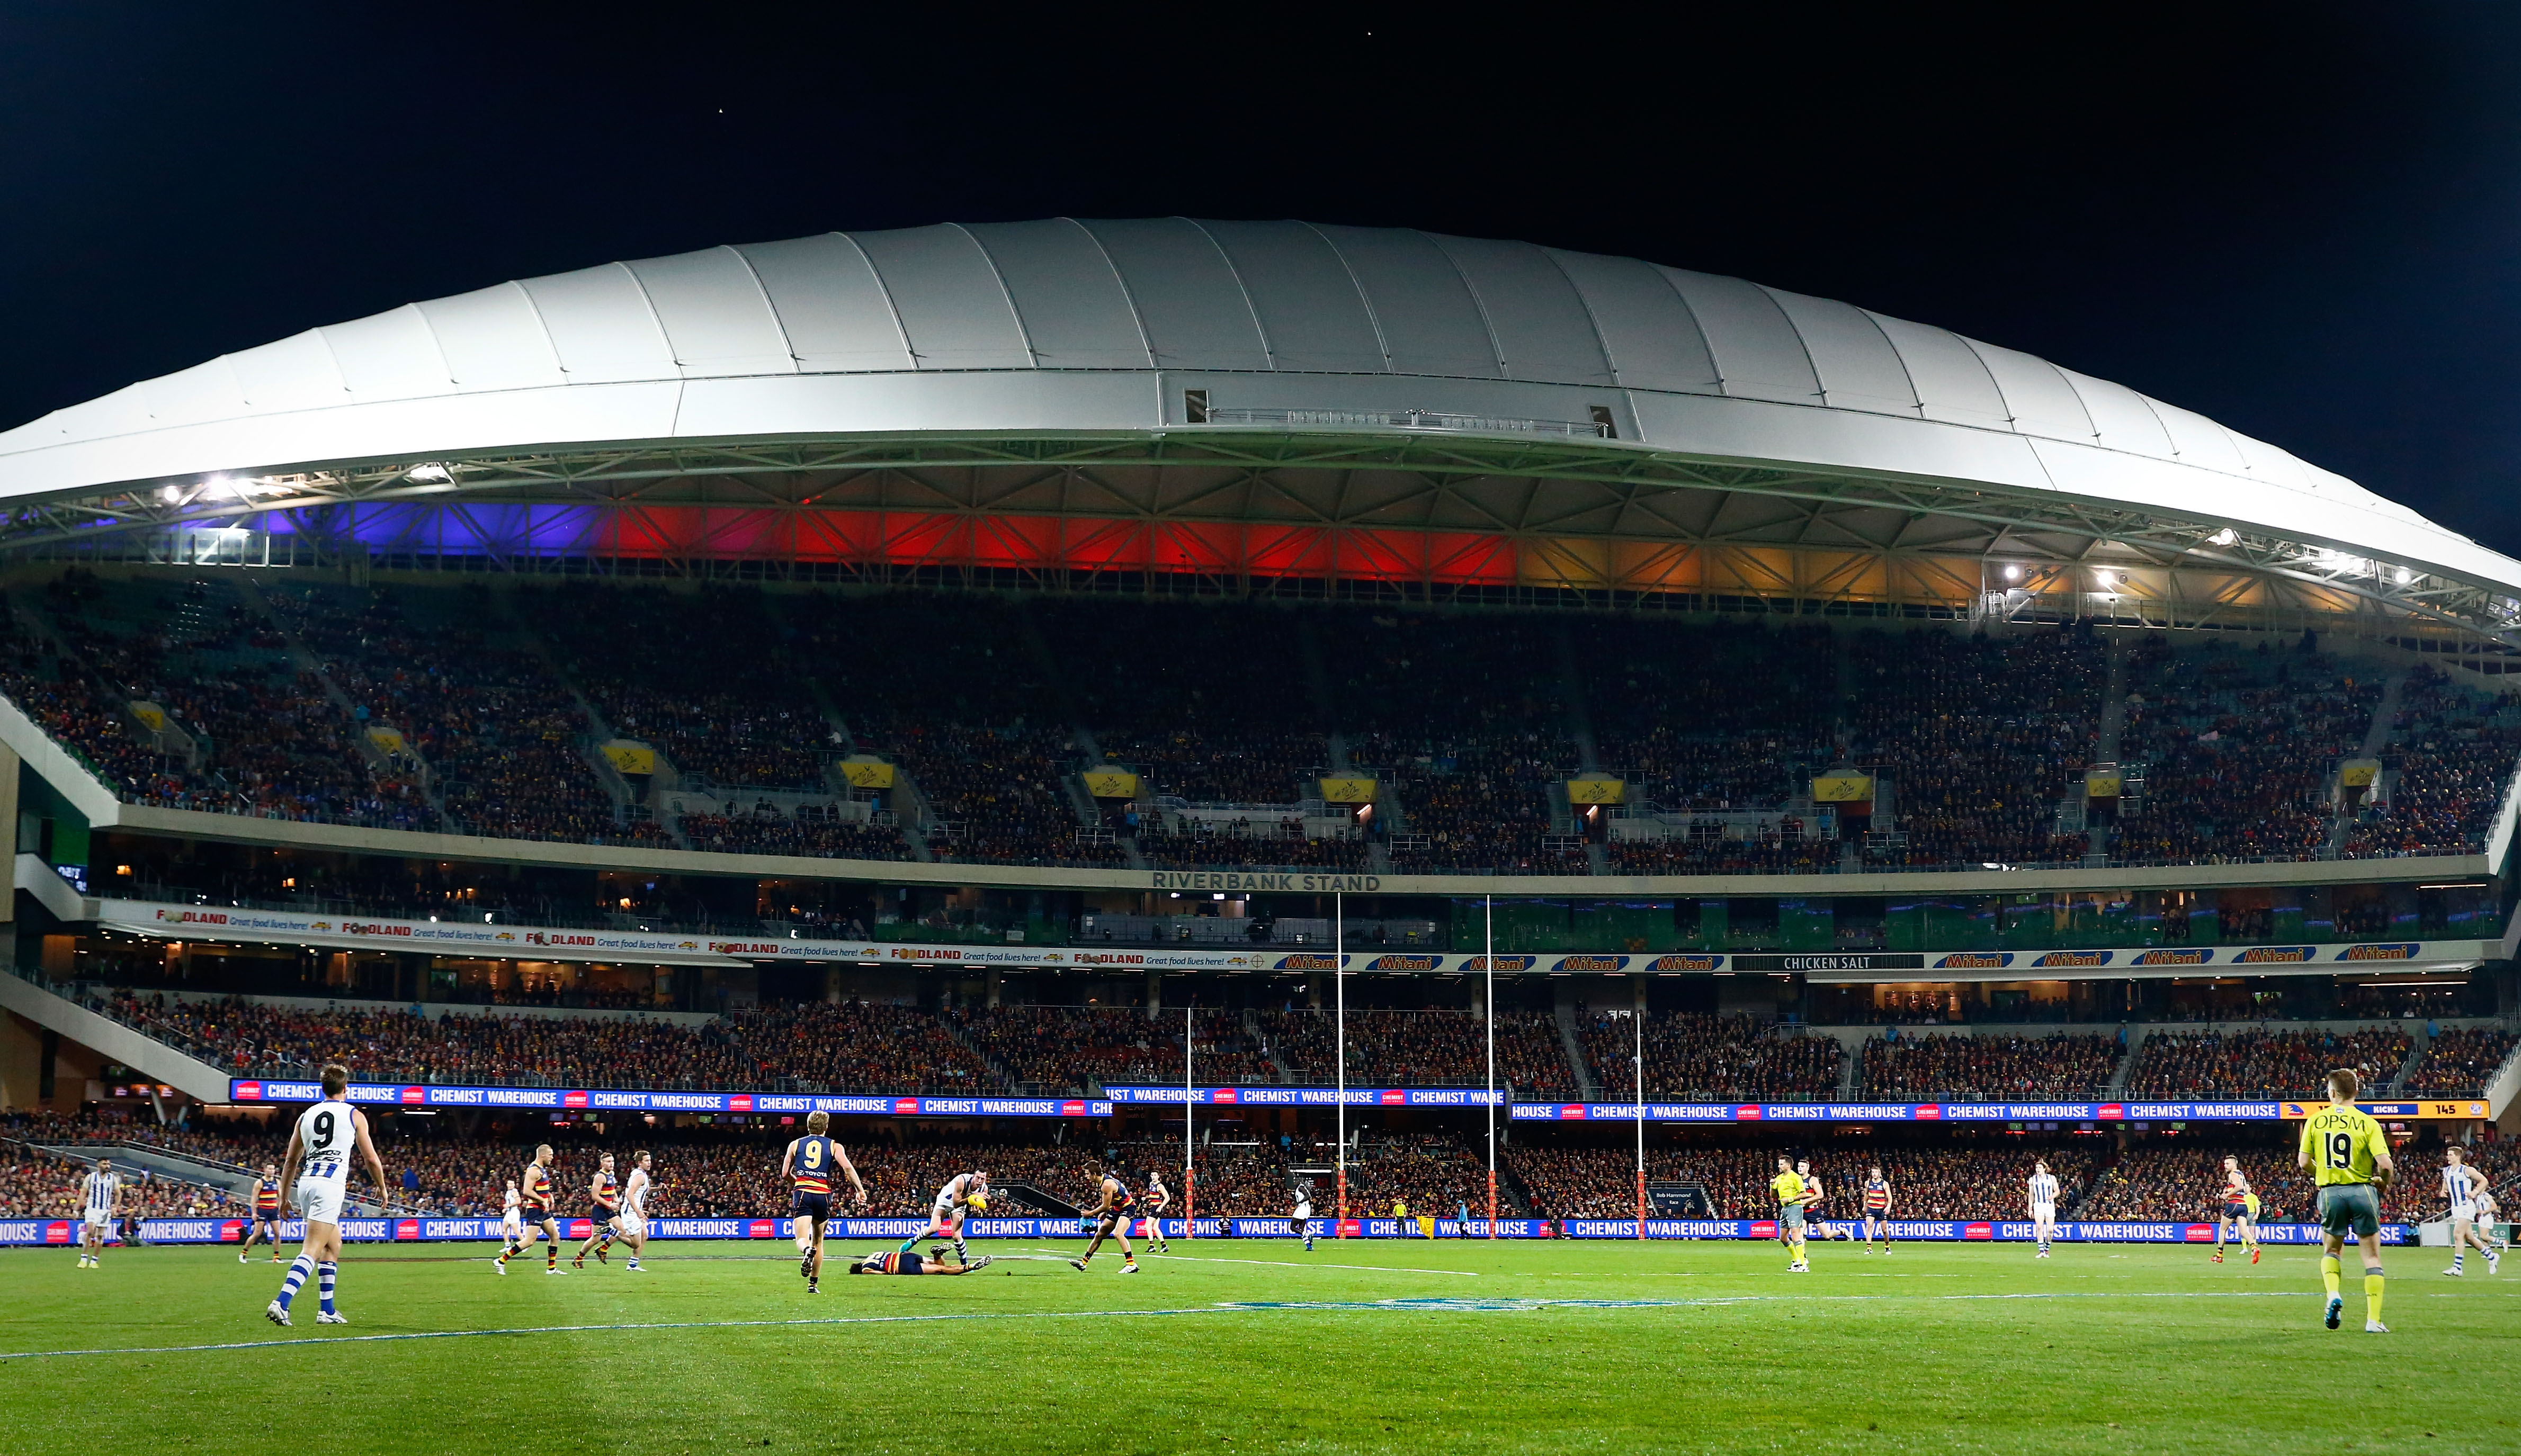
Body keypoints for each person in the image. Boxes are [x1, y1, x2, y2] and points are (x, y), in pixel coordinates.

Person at [264, 1063, 386, 1327]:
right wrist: (382, 1186)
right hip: (329, 1185)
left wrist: (284, 1197)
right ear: (346, 1088)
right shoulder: (354, 1115)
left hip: (307, 1184)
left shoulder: (306, 1115)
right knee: (312, 1250)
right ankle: (281, 1303)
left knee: (333, 1246)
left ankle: (327, 1311)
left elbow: (290, 1161)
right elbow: (371, 1159)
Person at [2297, 1066, 2395, 1333]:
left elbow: (2303, 1162)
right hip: (2362, 1190)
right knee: (2372, 1258)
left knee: (2331, 1250)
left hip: (2330, 1193)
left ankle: (2333, 1294)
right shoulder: (2368, 1122)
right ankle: (2373, 1320)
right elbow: (2385, 1164)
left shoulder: (2315, 1121)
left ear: (2331, 1092)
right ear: (2357, 1091)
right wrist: (2383, 1183)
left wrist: (2327, 1173)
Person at [783, 1111, 859, 1294]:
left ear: (808, 1126)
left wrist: (799, 1183)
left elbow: (785, 1173)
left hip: (802, 1193)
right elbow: (847, 1168)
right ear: (826, 1127)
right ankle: (813, 1285)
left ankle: (806, 1250)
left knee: (802, 1238)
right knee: (819, 1241)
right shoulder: (834, 1146)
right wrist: (860, 1190)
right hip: (823, 1195)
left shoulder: (796, 1144)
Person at [495, 1145, 564, 1274]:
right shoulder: (533, 1170)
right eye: (550, 1155)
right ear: (543, 1155)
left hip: (544, 1209)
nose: (552, 1157)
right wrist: (543, 1200)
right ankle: (500, 1261)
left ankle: (551, 1268)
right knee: (530, 1241)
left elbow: (541, 1189)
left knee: (555, 1236)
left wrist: (550, 1197)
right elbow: (527, 1191)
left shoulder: (542, 1170)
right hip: (535, 1209)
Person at [899, 1167, 979, 1268]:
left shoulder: (983, 1188)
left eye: (983, 1179)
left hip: (960, 1205)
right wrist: (971, 1199)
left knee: (957, 1236)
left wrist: (977, 1204)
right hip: (946, 1201)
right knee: (933, 1229)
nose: (980, 1181)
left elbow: (980, 1200)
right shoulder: (962, 1180)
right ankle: (913, 1241)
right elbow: (956, 1202)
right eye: (978, 1178)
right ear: (974, 1176)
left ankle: (965, 1264)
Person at [1070, 1163, 1141, 1274]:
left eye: (1088, 1174)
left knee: (1118, 1234)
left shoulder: (1106, 1185)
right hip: (1117, 1208)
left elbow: (1105, 1206)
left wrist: (1091, 1213)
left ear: (1094, 1174)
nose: (1086, 1176)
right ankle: (1083, 1263)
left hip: (1128, 1208)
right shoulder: (1104, 1181)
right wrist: (1107, 1211)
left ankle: (1131, 1264)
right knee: (1100, 1234)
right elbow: (1111, 1202)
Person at [2440, 1146, 2500, 1277]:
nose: (2448, 1157)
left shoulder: (2466, 1170)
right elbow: (2446, 1181)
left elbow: (2484, 1181)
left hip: (2466, 1206)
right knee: (2470, 1239)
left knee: (2457, 1235)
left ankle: (2457, 1267)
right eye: (2448, 1154)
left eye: (2450, 1155)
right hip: (2455, 1207)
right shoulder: (2447, 1171)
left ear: (2457, 1157)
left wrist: (2475, 1192)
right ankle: (2492, 1257)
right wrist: (2443, 1190)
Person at [570, 1152, 624, 1269]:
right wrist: (610, 1204)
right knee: (596, 1239)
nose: (611, 1164)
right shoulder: (600, 1177)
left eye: (612, 1161)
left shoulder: (612, 1174)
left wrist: (616, 1198)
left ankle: (603, 1249)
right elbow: (595, 1196)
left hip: (608, 1209)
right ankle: (578, 1258)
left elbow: (612, 1188)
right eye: (608, 1162)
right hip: (599, 1209)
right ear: (602, 1163)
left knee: (622, 1230)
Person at [2212, 1156, 2261, 1266]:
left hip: (2234, 1204)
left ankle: (2219, 1256)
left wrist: (2226, 1195)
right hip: (2243, 1205)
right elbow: (2240, 1187)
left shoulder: (2232, 1174)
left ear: (2234, 1164)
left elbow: (2238, 1187)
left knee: (2223, 1229)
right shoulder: (2241, 1174)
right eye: (2225, 1164)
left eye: (2228, 1164)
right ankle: (2254, 1247)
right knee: (2244, 1231)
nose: (2225, 1166)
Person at [238, 1162, 285, 1265]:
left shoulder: (277, 1182)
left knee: (277, 1234)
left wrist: (280, 1208)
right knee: (257, 1234)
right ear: (265, 1170)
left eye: (273, 1169)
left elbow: (280, 1197)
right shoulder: (260, 1183)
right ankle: (243, 1253)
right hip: (262, 1210)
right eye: (269, 1169)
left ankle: (276, 1256)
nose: (272, 1171)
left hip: (273, 1210)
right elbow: (254, 1199)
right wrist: (254, 1213)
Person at [77, 1157, 120, 1270]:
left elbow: (118, 1194)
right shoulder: (91, 1177)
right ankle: (84, 1258)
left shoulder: (112, 1178)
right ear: (98, 1165)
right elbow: (83, 1193)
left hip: (105, 1210)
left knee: (100, 1236)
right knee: (90, 1232)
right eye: (105, 1164)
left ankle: (94, 1260)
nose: (107, 1166)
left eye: (109, 1164)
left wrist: (115, 1207)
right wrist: (77, 1209)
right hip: (92, 1209)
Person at [1771, 1156, 1809, 1272]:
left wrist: (1791, 1199)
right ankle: (1797, 1260)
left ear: (1788, 1165)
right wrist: (1772, 1185)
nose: (1779, 1166)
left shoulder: (1795, 1177)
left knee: (1795, 1234)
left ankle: (1804, 1264)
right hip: (1785, 1209)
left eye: (1781, 1164)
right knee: (1782, 1238)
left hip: (1795, 1207)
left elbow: (1804, 1194)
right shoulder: (1779, 1178)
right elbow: (1773, 1196)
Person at [618, 1151, 652, 1272]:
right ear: (639, 1163)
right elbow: (629, 1194)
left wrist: (658, 1189)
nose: (649, 1163)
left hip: (635, 1210)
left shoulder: (641, 1174)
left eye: (650, 1160)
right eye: (646, 1161)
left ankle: (633, 1265)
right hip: (632, 1211)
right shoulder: (640, 1176)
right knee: (635, 1244)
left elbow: (643, 1191)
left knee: (645, 1234)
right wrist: (639, 1212)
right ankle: (614, 1231)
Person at [847, 1248, 991, 1275]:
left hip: (902, 1266)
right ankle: (936, 1254)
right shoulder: (873, 1254)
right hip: (905, 1256)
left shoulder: (865, 1268)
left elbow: (882, 1273)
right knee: (939, 1266)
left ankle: (971, 1266)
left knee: (940, 1270)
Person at [2027, 1160, 2061, 1257]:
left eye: (2040, 1168)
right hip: (2038, 1205)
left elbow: (2057, 1191)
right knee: (2039, 1227)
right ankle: (2041, 1251)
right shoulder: (2032, 1180)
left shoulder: (2051, 1178)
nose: (2038, 1170)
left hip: (2049, 1205)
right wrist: (2030, 1209)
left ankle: (2047, 1249)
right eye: (2037, 1168)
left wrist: (2053, 1196)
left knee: (2050, 1230)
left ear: (2044, 1169)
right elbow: (2031, 1195)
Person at [1861, 1165, 1893, 1255]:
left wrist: (1888, 1207)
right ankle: (1869, 1248)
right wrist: (1865, 1205)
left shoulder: (1884, 1184)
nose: (1874, 1174)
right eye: (1873, 1172)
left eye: (1876, 1172)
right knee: (1869, 1227)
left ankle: (1887, 1247)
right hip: (1871, 1208)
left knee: (1884, 1230)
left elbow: (1890, 1197)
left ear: (1879, 1173)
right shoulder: (1868, 1183)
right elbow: (1867, 1195)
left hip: (1881, 1209)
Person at [1141, 1170, 1173, 1254]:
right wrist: (1147, 1198)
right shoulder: (1151, 1184)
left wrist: (1161, 1207)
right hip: (1153, 1206)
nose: (1153, 1177)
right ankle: (1164, 1246)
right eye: (1152, 1175)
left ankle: (1152, 1246)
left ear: (1158, 1176)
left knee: (1147, 1225)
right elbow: (1153, 1196)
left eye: (1155, 1175)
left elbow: (1167, 1198)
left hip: (1156, 1207)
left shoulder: (1160, 1186)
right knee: (1155, 1228)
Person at [498, 1178, 522, 1253]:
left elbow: (519, 1201)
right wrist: (506, 1209)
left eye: (512, 1184)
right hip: (509, 1212)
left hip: (514, 1212)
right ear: (507, 1184)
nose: (511, 1185)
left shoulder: (514, 1192)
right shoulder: (508, 1192)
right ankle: (507, 1246)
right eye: (510, 1184)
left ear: (514, 1185)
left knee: (516, 1230)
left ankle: (525, 1244)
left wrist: (508, 1206)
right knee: (504, 1229)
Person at [1292, 1181, 1315, 1251]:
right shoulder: (1301, 1188)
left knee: (1293, 1227)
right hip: (1306, 1208)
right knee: (1301, 1229)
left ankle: (1308, 1235)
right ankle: (1309, 1246)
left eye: (1296, 1180)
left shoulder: (1301, 1188)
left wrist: (1298, 1203)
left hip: (1303, 1208)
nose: (1294, 1182)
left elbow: (1308, 1196)